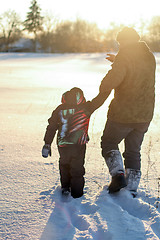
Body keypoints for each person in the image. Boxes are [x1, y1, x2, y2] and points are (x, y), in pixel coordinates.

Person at [99, 27, 156, 196]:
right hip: (144, 115)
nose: (119, 45)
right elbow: (135, 68)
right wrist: (118, 60)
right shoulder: (149, 56)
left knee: (108, 142)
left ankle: (117, 176)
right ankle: (131, 190)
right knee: (133, 151)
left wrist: (117, 64)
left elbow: (109, 83)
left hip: (123, 114)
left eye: (120, 42)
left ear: (124, 41)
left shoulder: (124, 56)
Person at [42, 87, 107, 198]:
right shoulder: (86, 107)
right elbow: (99, 100)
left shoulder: (60, 109)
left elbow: (51, 126)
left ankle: (65, 188)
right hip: (79, 144)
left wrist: (47, 143)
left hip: (63, 145)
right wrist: (108, 88)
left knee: (64, 165)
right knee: (77, 168)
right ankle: (77, 194)